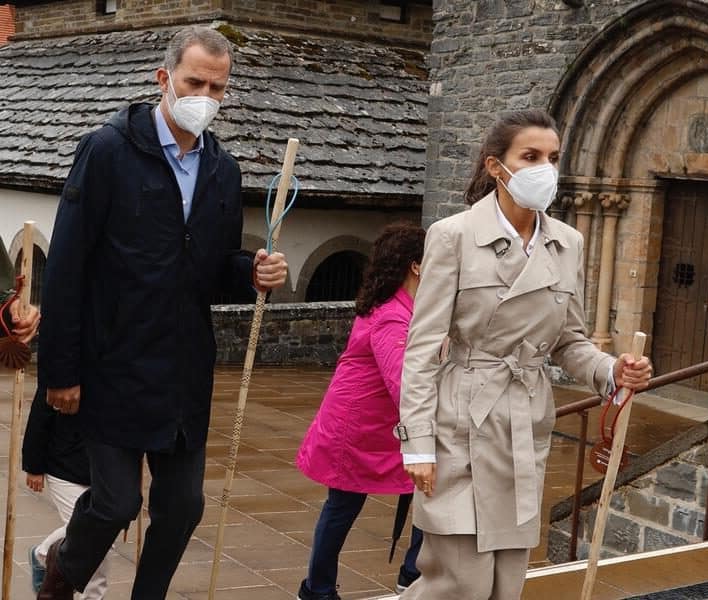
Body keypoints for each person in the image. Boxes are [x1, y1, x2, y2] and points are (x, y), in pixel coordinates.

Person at [35, 25, 288, 600]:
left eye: (217, 87)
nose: (205, 95)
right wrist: (61, 372)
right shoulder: (106, 151)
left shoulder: (224, 169)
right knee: (117, 502)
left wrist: (251, 271)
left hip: (182, 371)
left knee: (183, 508)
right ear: (164, 78)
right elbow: (67, 264)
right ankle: (61, 571)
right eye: (195, 81)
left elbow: (216, 264)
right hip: (112, 364)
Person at [396, 109, 653, 599]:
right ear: (496, 166)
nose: (545, 168)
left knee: (504, 585)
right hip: (461, 424)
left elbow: (570, 341)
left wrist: (612, 369)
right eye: (530, 157)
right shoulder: (452, 235)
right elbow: (422, 349)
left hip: (525, 425)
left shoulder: (569, 243)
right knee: (458, 584)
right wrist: (418, 443)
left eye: (553, 158)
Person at [296, 223, 426, 600]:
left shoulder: (399, 307)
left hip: (371, 425)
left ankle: (412, 571)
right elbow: (402, 381)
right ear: (416, 266)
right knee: (343, 506)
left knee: (425, 490)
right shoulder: (392, 316)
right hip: (357, 429)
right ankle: (319, 589)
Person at [23, 386, 109, 598]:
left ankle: (44, 553)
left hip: (105, 469)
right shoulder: (64, 361)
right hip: (64, 465)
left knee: (102, 537)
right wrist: (34, 466)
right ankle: (44, 555)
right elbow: (40, 415)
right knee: (91, 536)